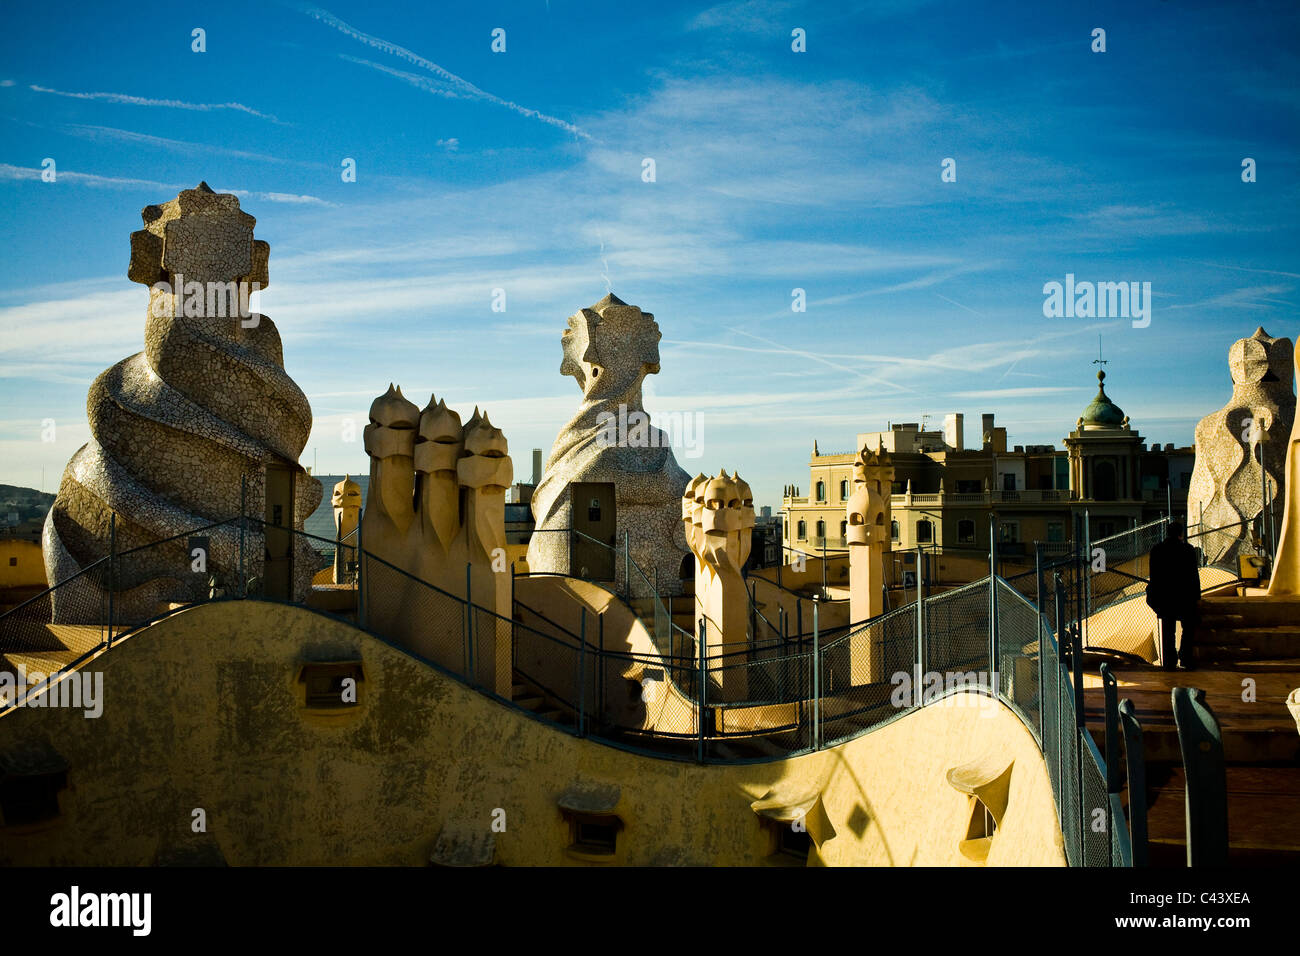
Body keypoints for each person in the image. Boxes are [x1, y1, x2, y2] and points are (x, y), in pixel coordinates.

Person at [1146, 521, 1201, 670]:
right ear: (1181, 534)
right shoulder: (1188, 550)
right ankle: (1185, 657)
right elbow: (1193, 575)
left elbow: (1154, 575)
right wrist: (1197, 596)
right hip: (1184, 596)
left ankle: (1170, 661)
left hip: (1165, 596)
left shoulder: (1157, 550)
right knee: (1188, 628)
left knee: (1168, 630)